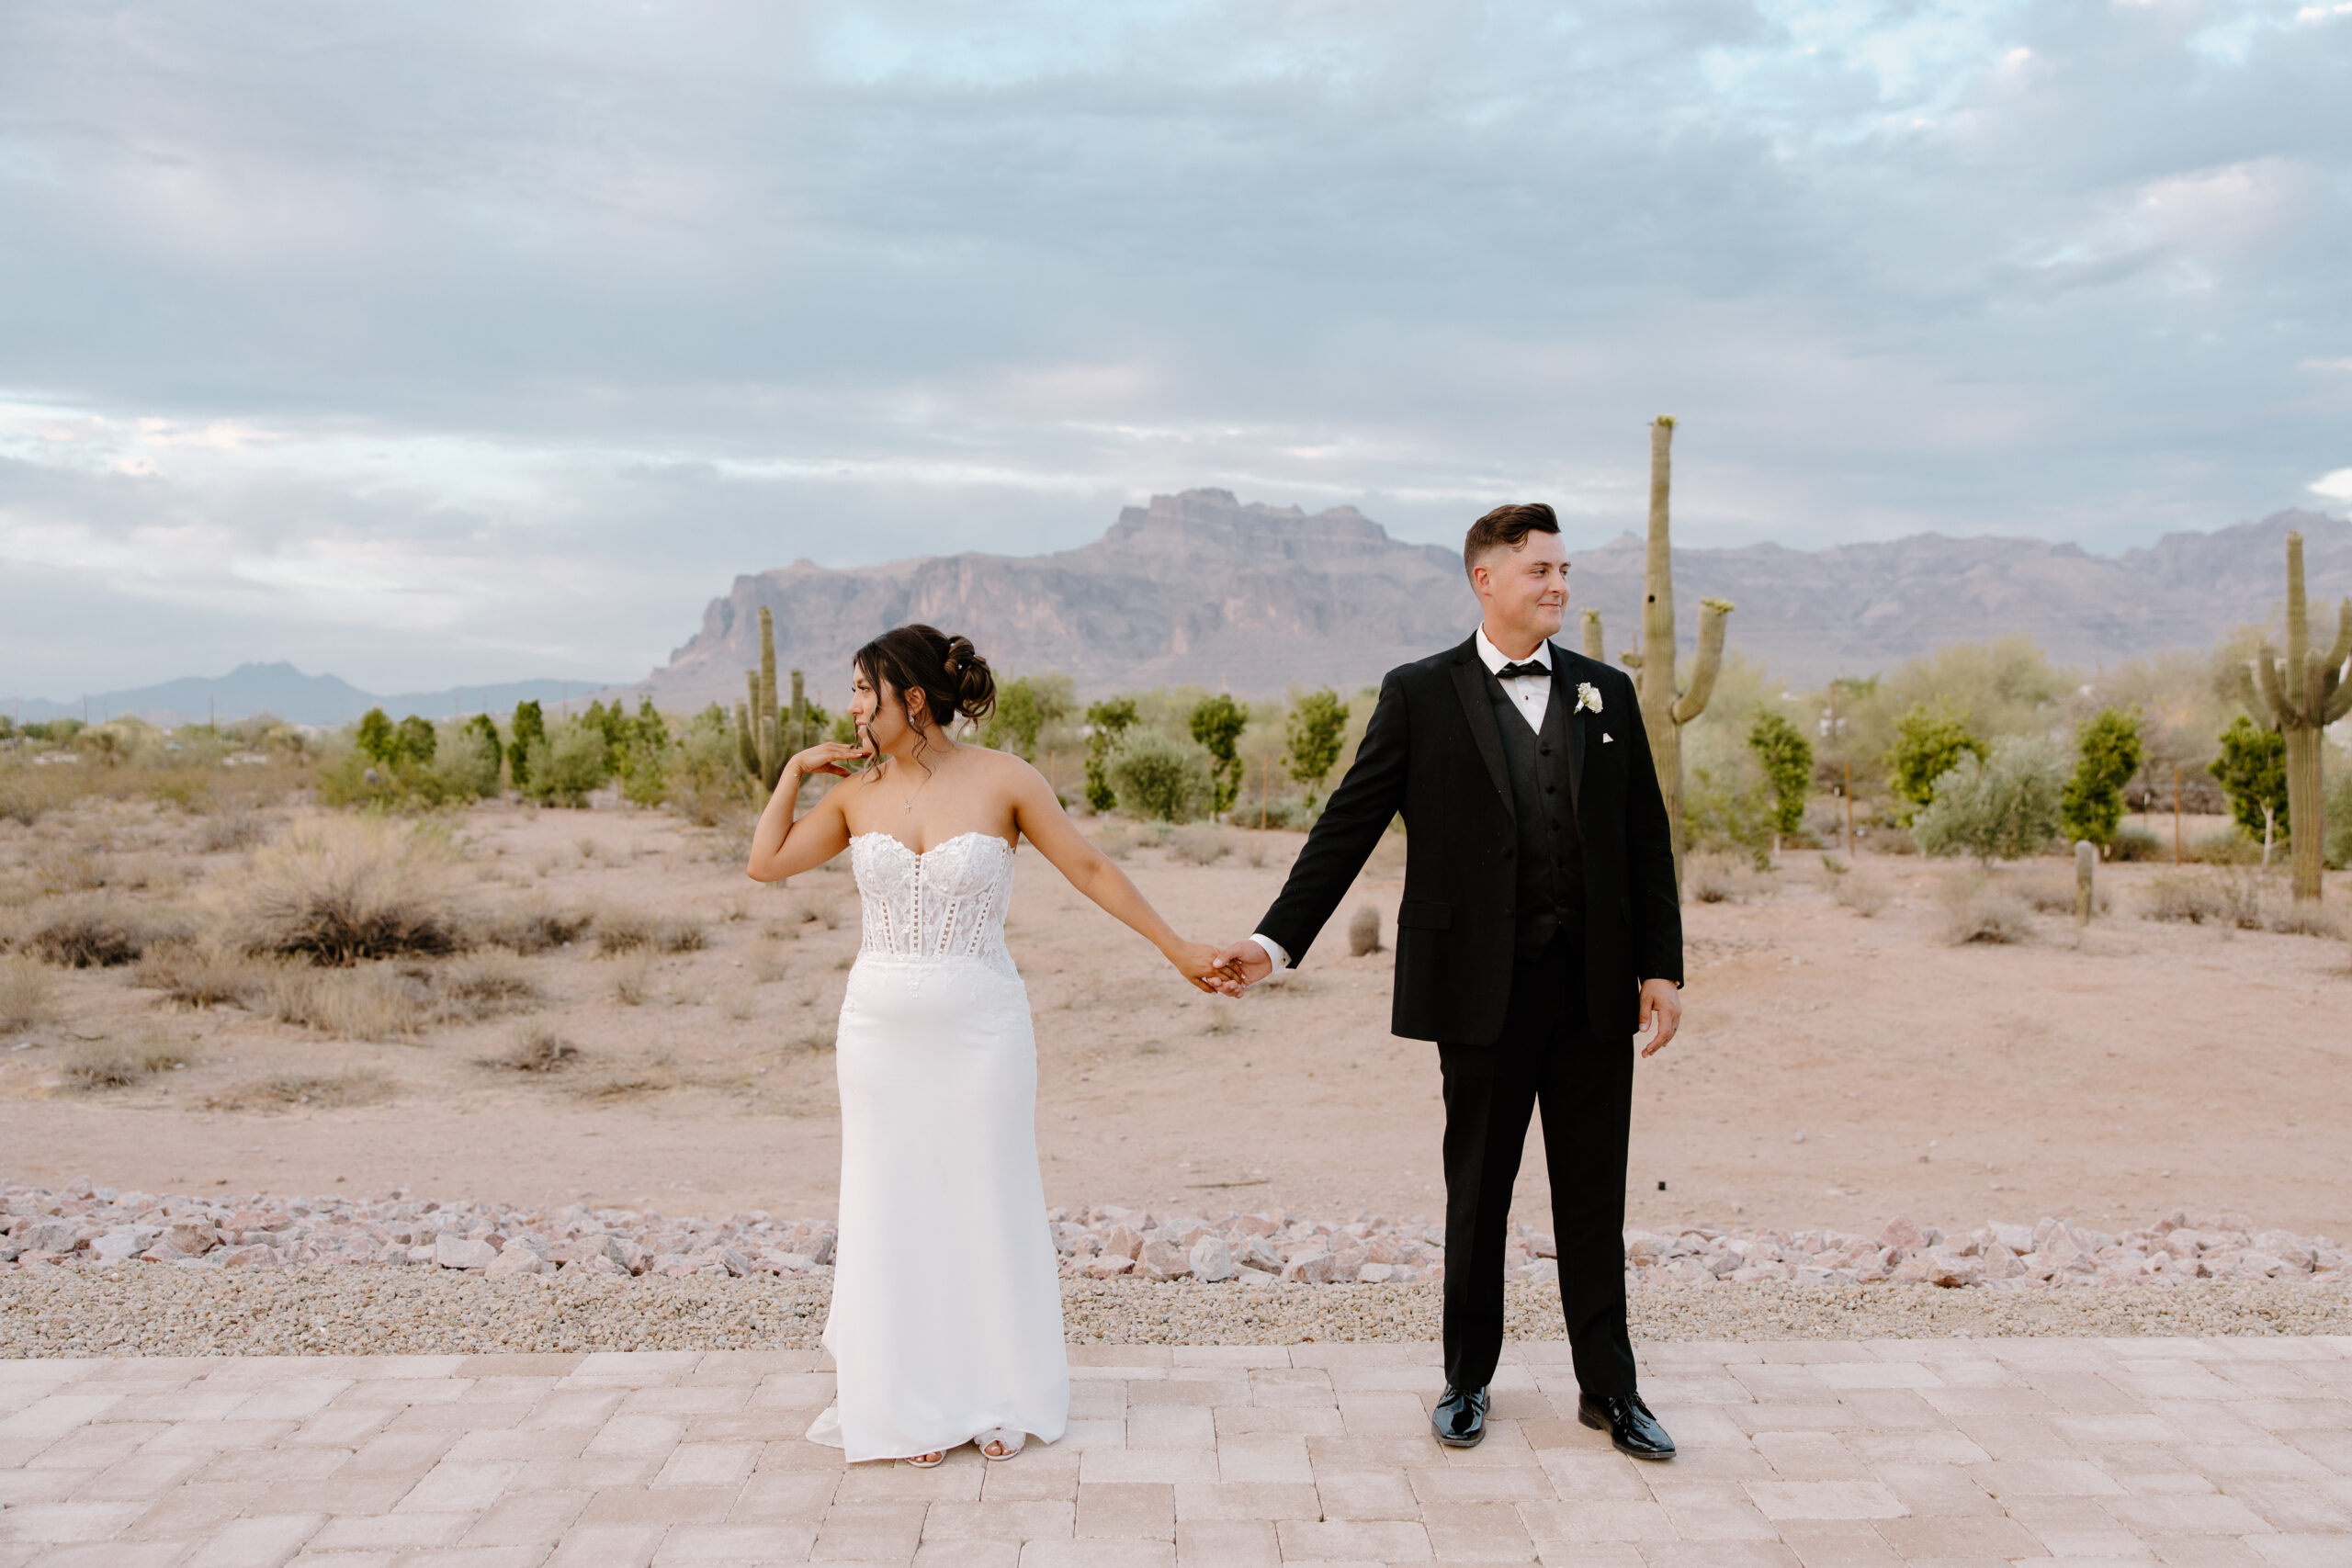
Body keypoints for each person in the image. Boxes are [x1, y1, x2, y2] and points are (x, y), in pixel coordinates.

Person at [1210, 503, 1686, 1459]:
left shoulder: (1607, 694)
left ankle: (1611, 1391)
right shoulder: (1420, 693)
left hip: (1593, 990)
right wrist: (1274, 943)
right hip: (1479, 993)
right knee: (1479, 1191)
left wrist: (1661, 967)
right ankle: (1467, 1380)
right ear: (1485, 579)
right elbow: (1348, 825)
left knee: (1593, 1195)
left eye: (1562, 570)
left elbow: (1644, 840)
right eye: (1538, 570)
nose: (1556, 585)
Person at [747, 624, 1231, 1468]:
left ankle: (995, 1393)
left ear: (914, 698)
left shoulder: (1008, 780)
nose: (853, 709)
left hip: (982, 1028)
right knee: (890, 1203)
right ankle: (904, 1404)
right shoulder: (856, 795)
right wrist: (793, 772)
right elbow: (767, 862)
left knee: (982, 1196)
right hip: (878, 1033)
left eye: (865, 692)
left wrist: (1177, 945)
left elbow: (1089, 869)